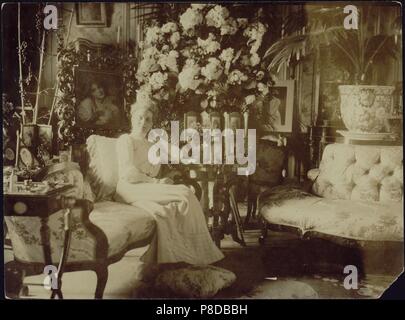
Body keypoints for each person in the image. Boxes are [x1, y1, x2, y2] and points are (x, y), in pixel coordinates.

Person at [114, 98, 224, 266]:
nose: (143, 122)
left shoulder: (153, 145)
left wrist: (167, 176)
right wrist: (156, 183)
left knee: (168, 210)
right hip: (128, 188)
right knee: (186, 193)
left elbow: (159, 171)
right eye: (140, 117)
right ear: (132, 117)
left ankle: (176, 257)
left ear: (152, 123)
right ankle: (203, 254)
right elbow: (129, 173)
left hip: (146, 187)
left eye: (148, 119)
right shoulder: (126, 140)